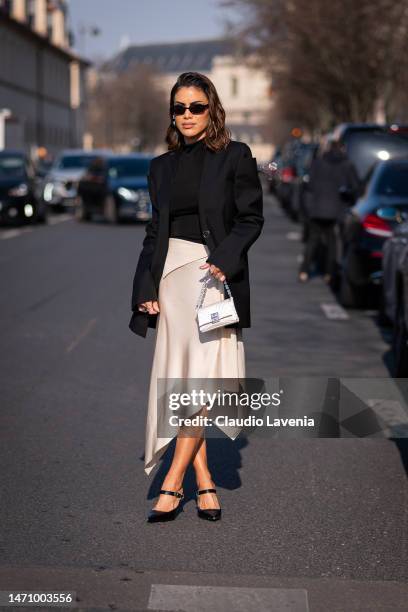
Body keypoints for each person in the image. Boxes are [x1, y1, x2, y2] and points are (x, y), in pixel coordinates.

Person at [129, 72, 264, 523]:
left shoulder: (235, 156)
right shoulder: (160, 167)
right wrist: (145, 287)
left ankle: (172, 483)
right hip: (172, 279)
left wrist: (225, 259)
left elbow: (250, 219)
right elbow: (154, 233)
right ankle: (203, 481)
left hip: (212, 280)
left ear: (212, 109)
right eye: (179, 108)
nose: (187, 115)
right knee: (184, 380)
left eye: (196, 107)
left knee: (203, 380)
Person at [298, 139, 360, 283]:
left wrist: (307, 208)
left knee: (312, 241)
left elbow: (309, 185)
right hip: (336, 209)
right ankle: (330, 273)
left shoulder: (318, 162)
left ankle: (304, 270)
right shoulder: (347, 165)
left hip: (316, 208)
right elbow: (355, 187)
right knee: (332, 242)